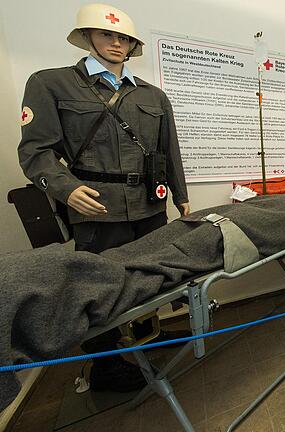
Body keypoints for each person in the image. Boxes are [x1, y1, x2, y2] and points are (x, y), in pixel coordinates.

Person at [18, 3, 191, 393]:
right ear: (87, 37)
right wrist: (66, 189)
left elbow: (169, 151)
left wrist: (180, 197)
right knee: (99, 288)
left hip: (149, 204)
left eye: (124, 38)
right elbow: (35, 152)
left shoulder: (152, 95)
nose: (116, 43)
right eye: (107, 35)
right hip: (96, 205)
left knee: (152, 276)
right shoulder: (51, 83)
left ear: (132, 45)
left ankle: (149, 333)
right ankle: (106, 365)